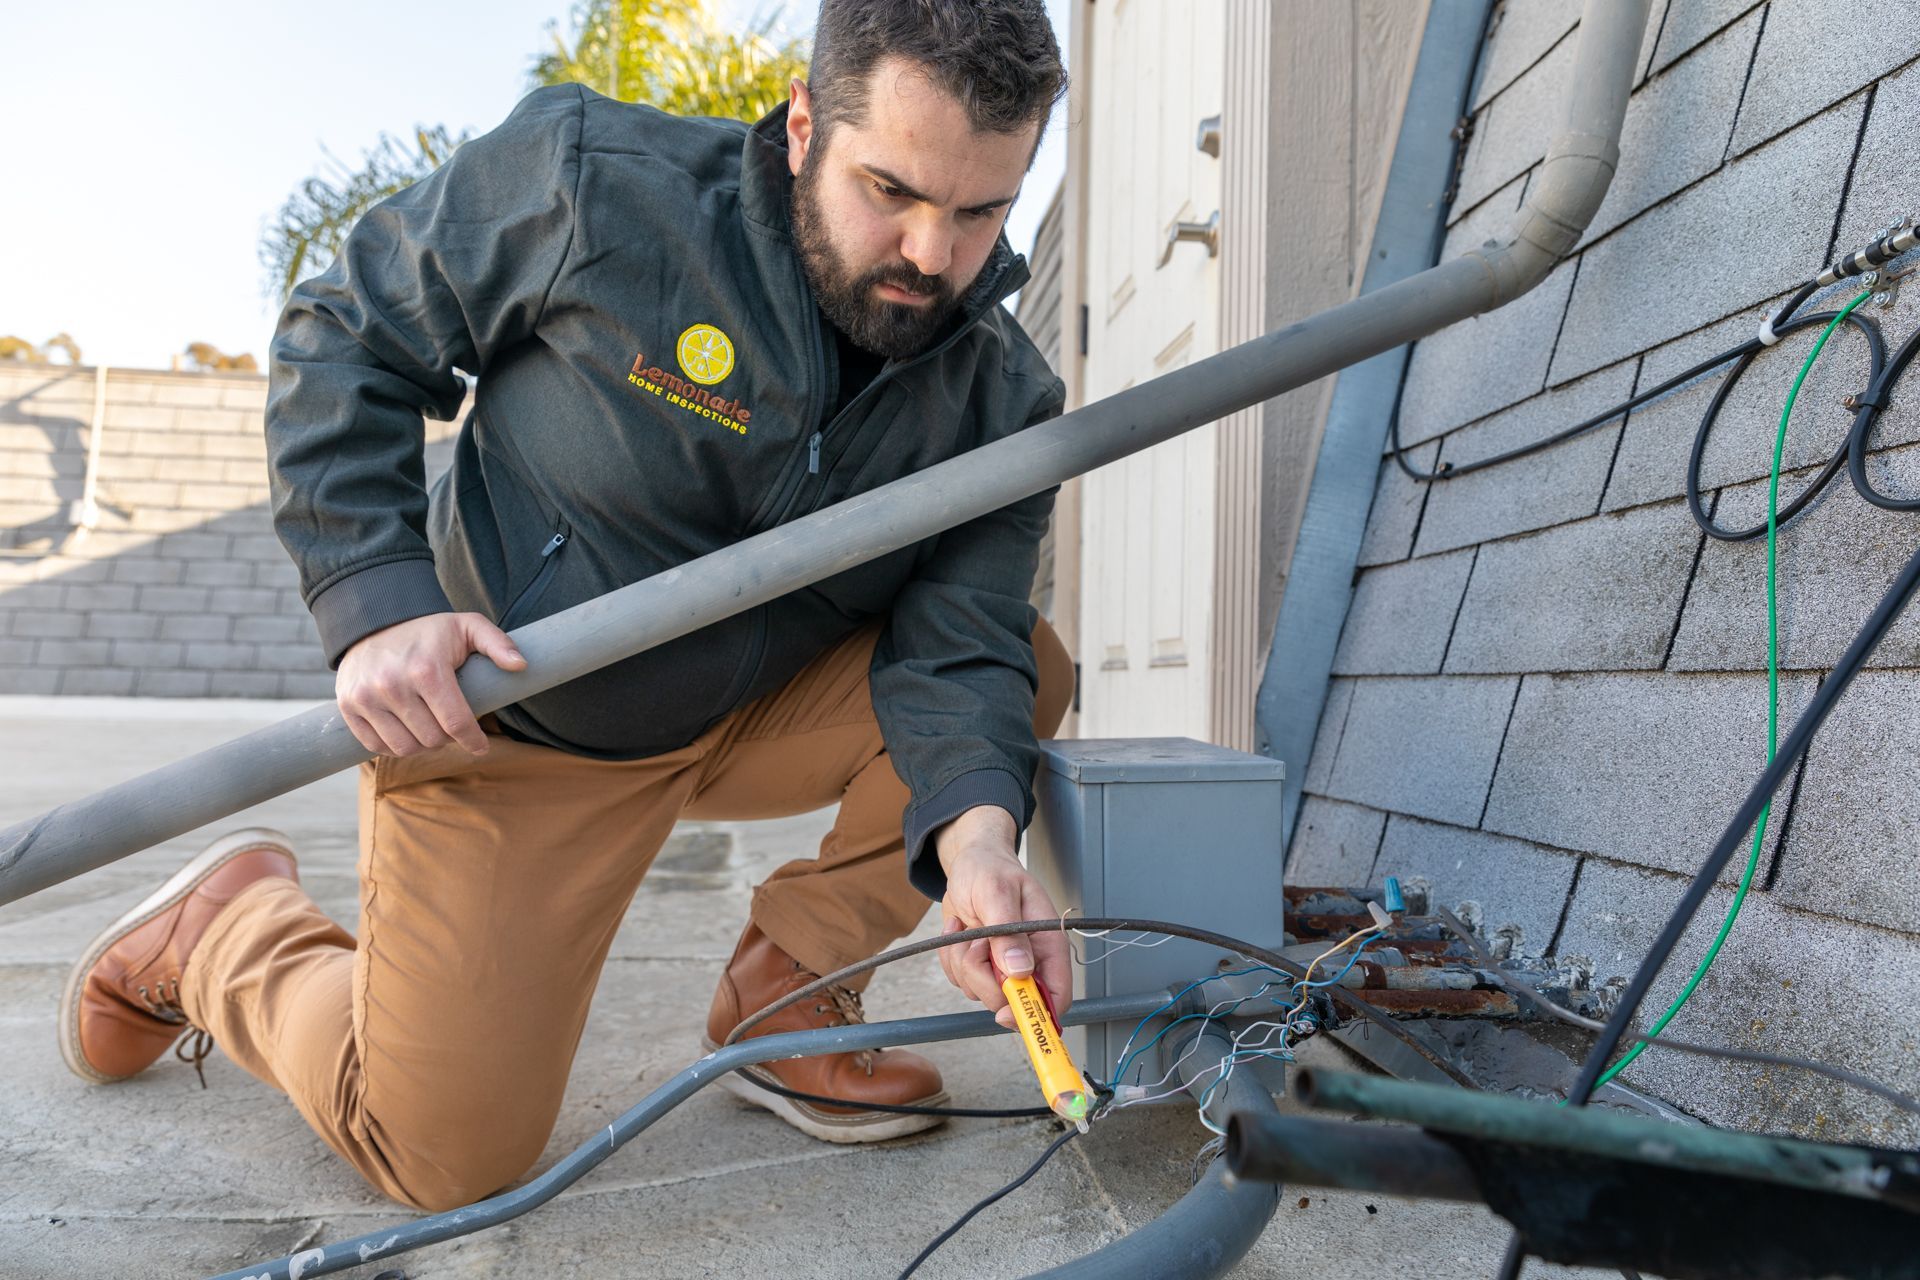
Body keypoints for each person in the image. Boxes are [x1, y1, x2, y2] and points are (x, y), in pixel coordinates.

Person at [59, 0, 1078, 1213]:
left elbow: (956, 646)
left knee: (1026, 663)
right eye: (892, 190)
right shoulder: (598, 186)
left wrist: (974, 846)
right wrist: (379, 603)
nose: (930, 252)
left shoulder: (1001, 393)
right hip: (511, 725)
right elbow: (347, 332)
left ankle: (790, 997)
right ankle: (224, 932)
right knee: (444, 1155)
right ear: (805, 123)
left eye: (982, 212)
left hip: (755, 708)